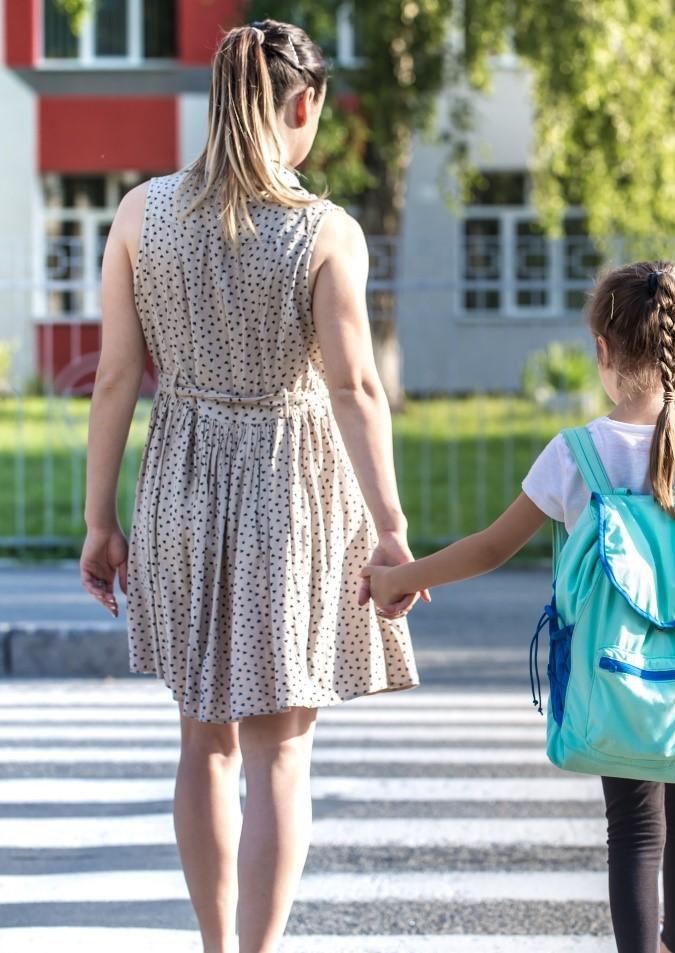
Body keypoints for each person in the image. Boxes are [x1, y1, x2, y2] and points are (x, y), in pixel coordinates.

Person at [78, 19, 423, 953]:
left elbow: (114, 378)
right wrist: (391, 529)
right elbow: (353, 388)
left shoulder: (141, 215)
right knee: (281, 749)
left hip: (180, 479)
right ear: (303, 103)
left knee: (205, 739)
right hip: (290, 484)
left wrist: (98, 518)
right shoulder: (322, 231)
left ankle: (215, 944)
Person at [363, 259, 675, 953]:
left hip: (609, 675)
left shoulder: (576, 455)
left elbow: (493, 546)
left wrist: (398, 578)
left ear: (602, 349)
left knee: (632, 825)